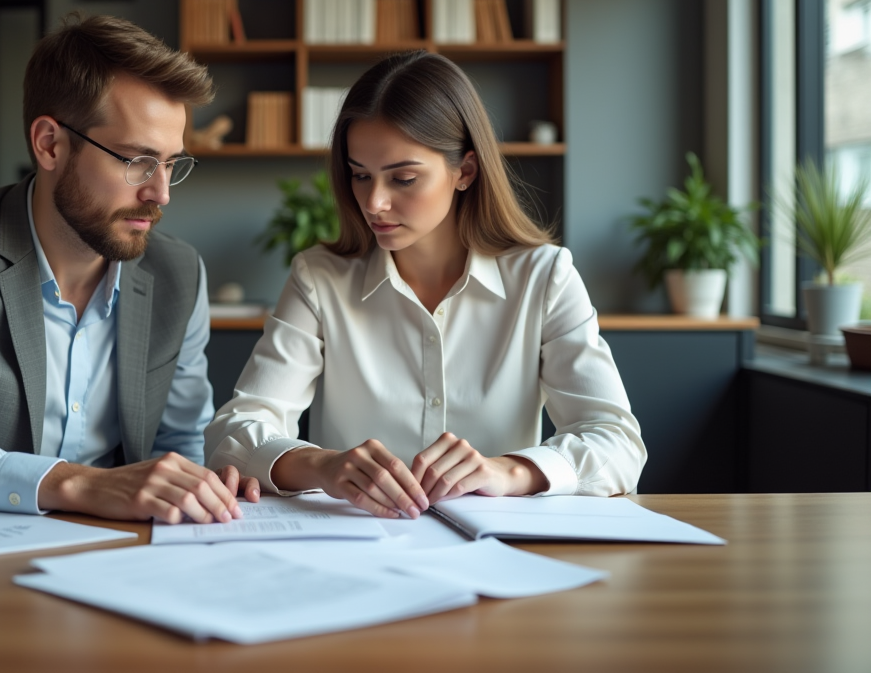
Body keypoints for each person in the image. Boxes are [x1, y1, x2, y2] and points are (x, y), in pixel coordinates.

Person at [0, 13, 258, 524]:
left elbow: (180, 444)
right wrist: (76, 484)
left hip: (121, 563)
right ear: (50, 143)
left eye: (170, 163)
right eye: (136, 161)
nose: (160, 193)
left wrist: (206, 484)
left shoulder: (179, 274)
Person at [205, 51, 645, 519]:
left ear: (466, 172)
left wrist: (507, 472)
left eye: (404, 178)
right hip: (356, 549)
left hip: (496, 555)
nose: (373, 202)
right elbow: (233, 434)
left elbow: (617, 444)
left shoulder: (545, 277)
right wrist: (324, 466)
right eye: (360, 175)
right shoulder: (320, 278)